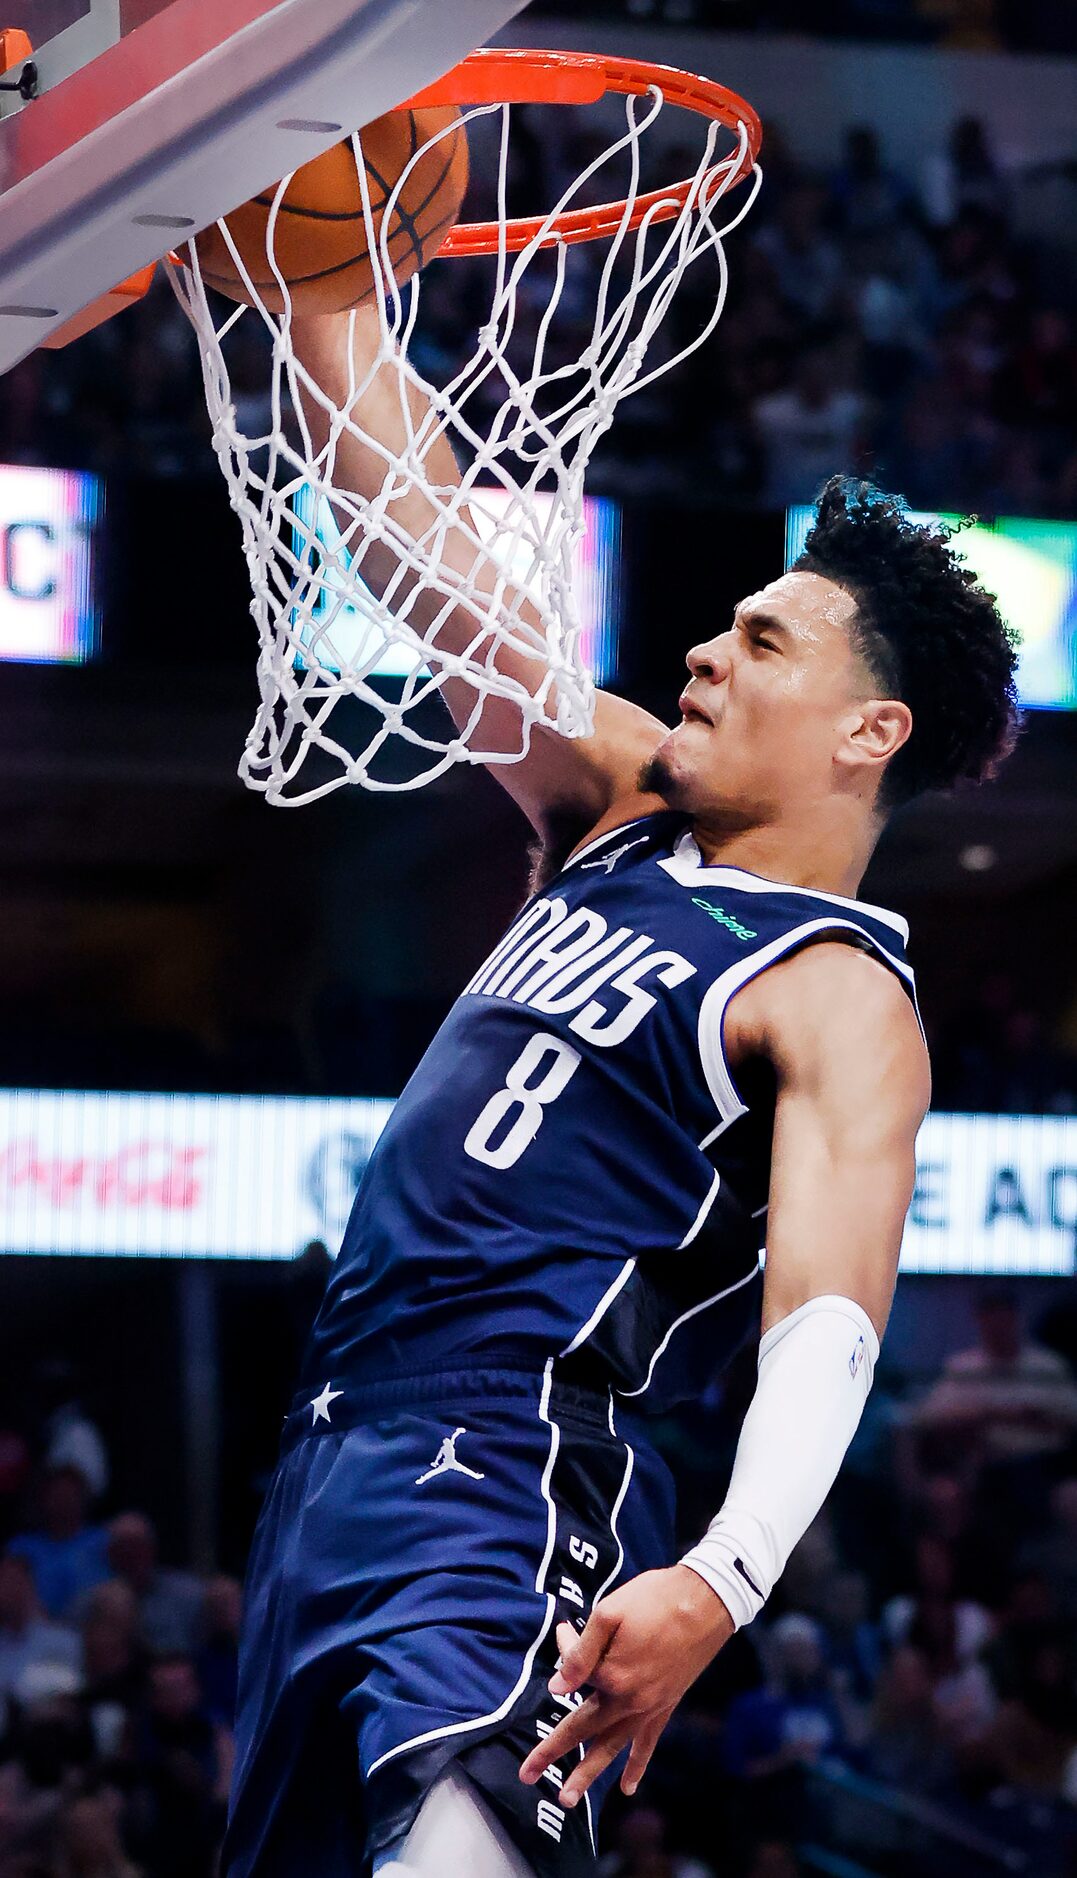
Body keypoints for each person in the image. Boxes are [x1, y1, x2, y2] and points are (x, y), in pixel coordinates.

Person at [222, 293, 1020, 1878]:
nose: (705, 651)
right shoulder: (616, 803)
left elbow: (829, 1324)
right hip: (321, 1466)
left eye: (762, 640)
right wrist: (327, 312)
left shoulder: (840, 992)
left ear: (870, 729)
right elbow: (433, 563)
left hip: (505, 1467)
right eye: (723, 627)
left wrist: (722, 1578)